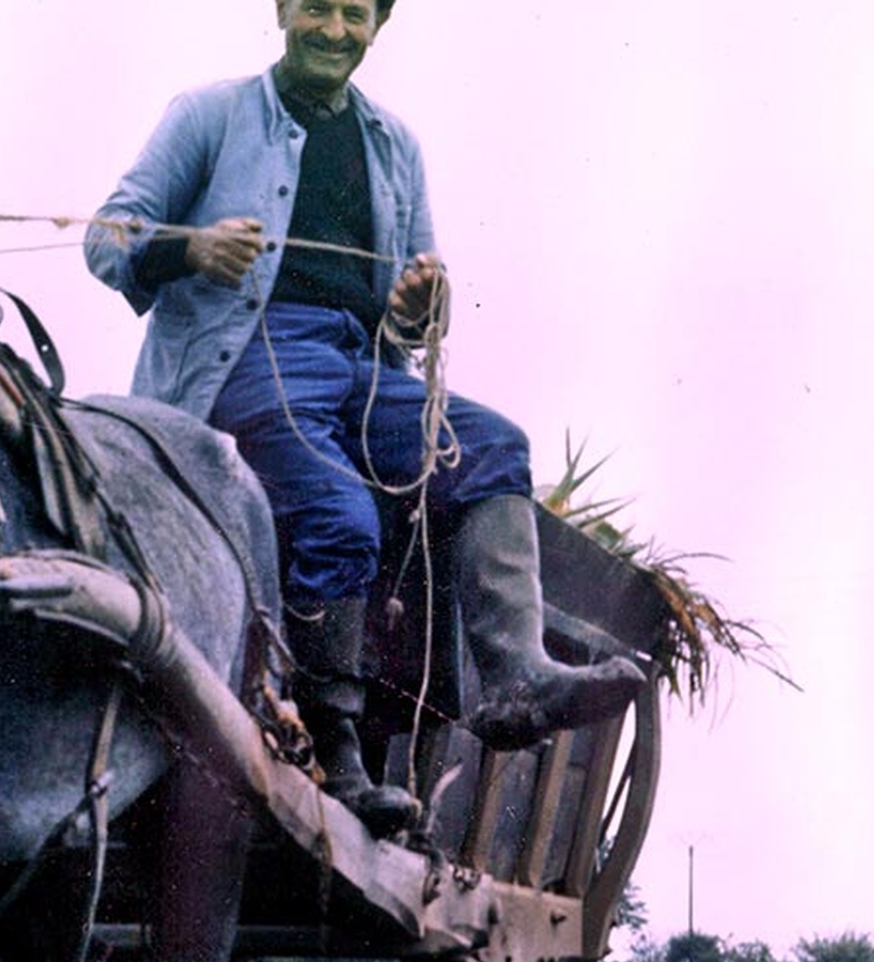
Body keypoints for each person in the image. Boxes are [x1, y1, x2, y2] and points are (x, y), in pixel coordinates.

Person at [85, 0, 643, 834]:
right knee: (339, 513)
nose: (334, 30)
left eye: (354, 13)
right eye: (317, 8)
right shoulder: (210, 114)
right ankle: (334, 751)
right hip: (249, 356)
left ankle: (518, 674)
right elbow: (105, 237)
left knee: (493, 446)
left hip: (361, 364)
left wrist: (420, 304)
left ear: (378, 25)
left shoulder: (393, 145)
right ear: (281, 11)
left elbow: (417, 305)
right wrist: (190, 248)